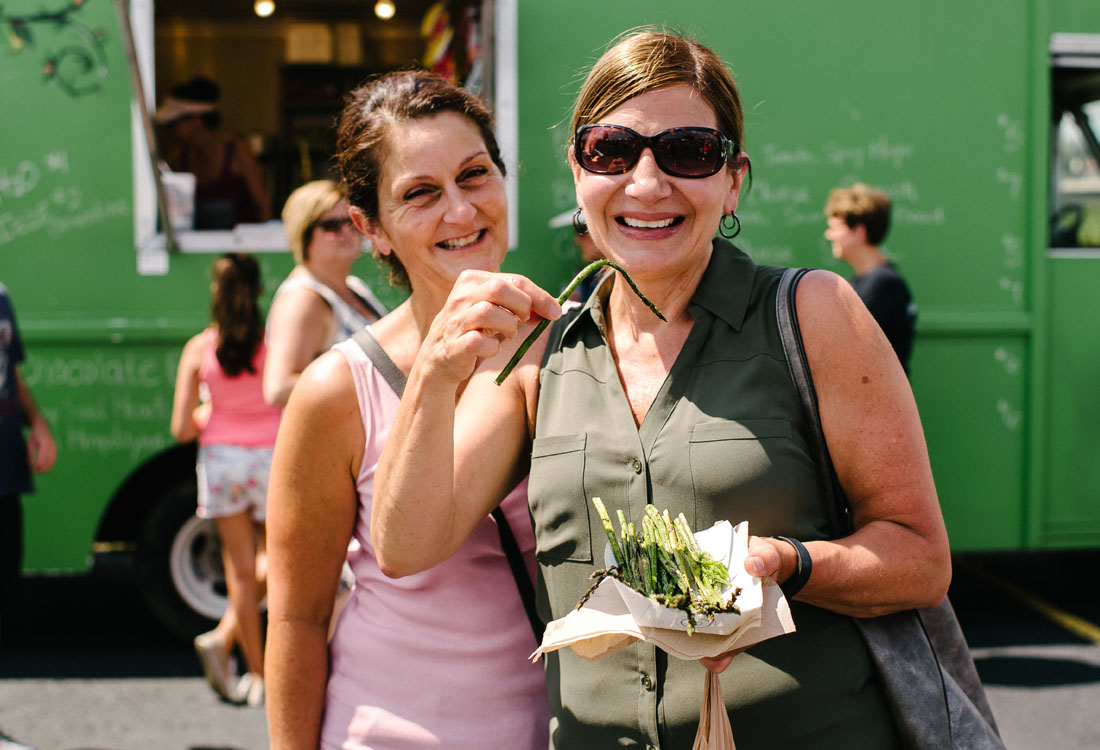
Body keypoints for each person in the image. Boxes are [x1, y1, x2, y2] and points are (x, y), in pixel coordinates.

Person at [372, 29, 952, 749]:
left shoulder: (814, 314)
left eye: (688, 152)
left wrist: (789, 564)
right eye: (611, 151)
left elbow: (920, 560)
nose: (646, 184)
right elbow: (405, 546)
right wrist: (433, 375)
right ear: (579, 173)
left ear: (733, 178)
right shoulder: (540, 348)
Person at [264, 70, 551, 750]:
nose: (460, 211)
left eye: (474, 176)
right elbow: (299, 620)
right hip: (391, 731)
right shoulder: (339, 390)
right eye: (420, 194)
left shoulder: (573, 342)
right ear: (374, 230)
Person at [170, 254, 281, 707]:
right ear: (258, 291)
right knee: (275, 562)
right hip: (272, 459)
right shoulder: (275, 345)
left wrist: (210, 413)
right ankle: (240, 648)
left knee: (238, 569)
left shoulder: (199, 348)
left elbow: (180, 428)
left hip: (221, 462)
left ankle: (255, 674)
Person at [262, 180, 386, 407]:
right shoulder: (303, 299)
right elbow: (278, 388)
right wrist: (365, 385)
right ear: (304, 233)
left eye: (351, 221)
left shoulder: (355, 287)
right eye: (331, 225)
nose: (346, 231)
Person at [0, 283, 57, 639]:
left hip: (5, 462)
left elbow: (12, 375)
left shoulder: (1, 297)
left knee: (6, 577)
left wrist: (37, 422)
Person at [824, 182, 917, 373]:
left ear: (859, 231)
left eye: (835, 227)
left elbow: (849, 349)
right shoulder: (867, 282)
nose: (829, 235)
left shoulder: (882, 284)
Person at [156, 76, 272, 229]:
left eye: (173, 123)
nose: (169, 130)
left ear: (196, 120)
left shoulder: (237, 151)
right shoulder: (178, 158)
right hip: (201, 246)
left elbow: (262, 203)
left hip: (243, 247)